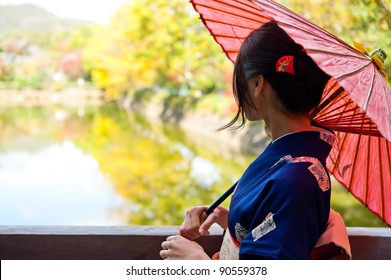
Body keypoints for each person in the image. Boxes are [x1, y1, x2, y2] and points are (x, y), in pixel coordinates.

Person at [160, 20, 340, 260]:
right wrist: (234, 221)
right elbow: (276, 228)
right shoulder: (291, 161)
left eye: (241, 79)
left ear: (257, 84)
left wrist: (198, 262)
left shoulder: (296, 179)